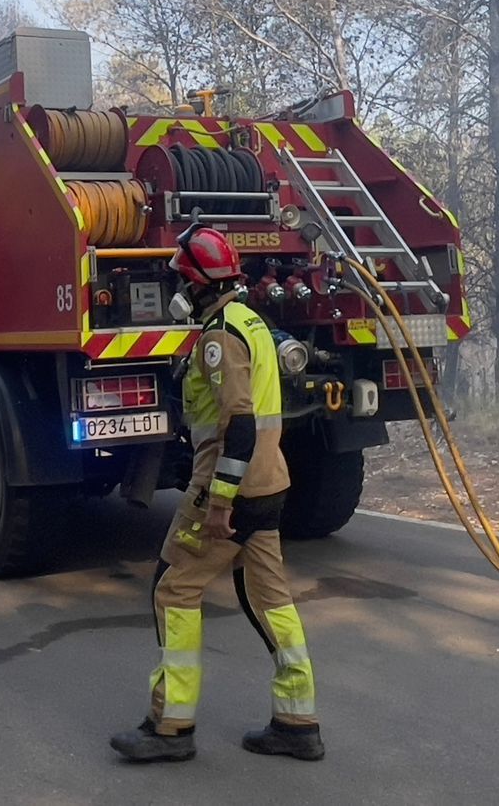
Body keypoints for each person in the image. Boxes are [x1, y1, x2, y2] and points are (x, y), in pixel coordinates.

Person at [111, 227, 322, 763]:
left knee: (173, 590)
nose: (178, 290)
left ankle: (170, 726)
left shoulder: (219, 336)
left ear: (200, 283)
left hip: (228, 489)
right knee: (270, 600)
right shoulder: (254, 322)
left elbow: (241, 426)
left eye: (182, 279)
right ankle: (297, 722)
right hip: (271, 484)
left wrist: (220, 501)